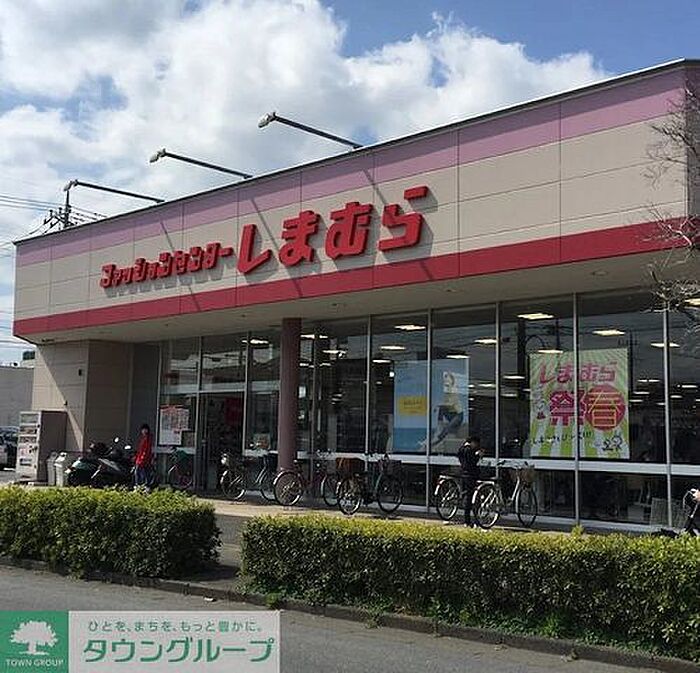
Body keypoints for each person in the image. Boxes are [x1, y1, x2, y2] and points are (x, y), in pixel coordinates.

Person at [457, 436, 483, 527]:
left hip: (464, 474)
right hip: (472, 475)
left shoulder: (461, 449)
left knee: (468, 497)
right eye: (476, 444)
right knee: (474, 498)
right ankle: (476, 520)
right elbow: (472, 462)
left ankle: (467, 520)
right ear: (472, 442)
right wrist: (478, 455)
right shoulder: (469, 450)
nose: (476, 446)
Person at [134, 423, 153, 488]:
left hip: (143, 459)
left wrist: (142, 458)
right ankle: (145, 486)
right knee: (145, 472)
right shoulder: (144, 438)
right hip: (142, 458)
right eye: (143, 430)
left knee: (138, 472)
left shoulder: (147, 438)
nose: (143, 431)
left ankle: (139, 486)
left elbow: (146, 450)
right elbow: (140, 449)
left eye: (145, 429)